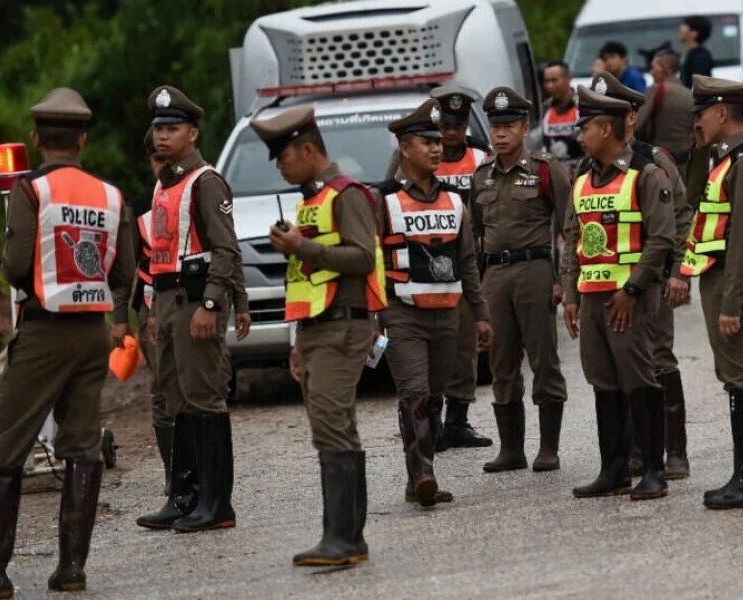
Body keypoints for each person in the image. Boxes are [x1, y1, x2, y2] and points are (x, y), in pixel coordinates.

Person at [0, 87, 134, 600]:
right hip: (92, 333)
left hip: (44, 329)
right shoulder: (111, 194)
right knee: (81, 444)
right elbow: (123, 270)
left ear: (37, 139)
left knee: (5, 449)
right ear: (82, 139)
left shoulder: (31, 190)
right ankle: (71, 569)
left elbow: (14, 265)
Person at [252, 105, 387, 565]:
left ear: (309, 149)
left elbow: (362, 259)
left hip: (342, 327)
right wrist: (297, 340)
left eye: (284, 156)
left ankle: (343, 539)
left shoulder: (346, 194)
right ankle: (348, 538)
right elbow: (305, 277)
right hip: (316, 329)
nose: (280, 166)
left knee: (332, 425)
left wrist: (301, 246)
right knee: (333, 427)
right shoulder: (311, 199)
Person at [135, 85, 246, 533]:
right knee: (176, 397)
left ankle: (217, 504)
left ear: (193, 132)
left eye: (172, 128)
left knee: (203, 397)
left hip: (194, 298)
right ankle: (184, 496)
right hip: (167, 300)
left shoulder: (204, 181)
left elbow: (225, 248)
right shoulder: (166, 184)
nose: (162, 136)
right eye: (158, 128)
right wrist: (156, 310)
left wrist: (212, 303)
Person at [373, 100, 493, 506]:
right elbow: (371, 260)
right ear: (404, 149)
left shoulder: (455, 202)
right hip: (403, 313)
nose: (437, 148)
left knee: (436, 393)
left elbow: (467, 263)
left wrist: (479, 314)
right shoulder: (383, 200)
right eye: (426, 142)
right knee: (415, 393)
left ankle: (418, 476)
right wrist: (375, 314)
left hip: (448, 314)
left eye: (438, 141)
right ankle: (422, 473)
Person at [562, 86, 676, 500]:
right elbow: (572, 237)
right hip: (592, 297)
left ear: (607, 129)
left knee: (639, 379)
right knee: (603, 382)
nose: (580, 136)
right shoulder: (582, 177)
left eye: (586, 127)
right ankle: (612, 468)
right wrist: (571, 296)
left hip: (631, 298)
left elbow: (661, 239)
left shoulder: (645, 174)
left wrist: (631, 288)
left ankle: (653, 469)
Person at [590, 72, 694, 480]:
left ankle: (676, 452)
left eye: (613, 114)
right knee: (619, 367)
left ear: (630, 118)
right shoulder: (591, 166)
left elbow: (681, 217)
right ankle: (633, 451)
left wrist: (677, 272)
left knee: (659, 359)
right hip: (608, 285)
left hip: (650, 282)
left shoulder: (654, 162)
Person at [681, 76, 743, 510]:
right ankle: (742, 474)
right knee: (733, 376)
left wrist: (732, 301)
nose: (696, 122)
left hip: (733, 281)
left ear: (722, 112)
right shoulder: (725, 158)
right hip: (719, 279)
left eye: (700, 114)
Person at [469, 87, 570, 473]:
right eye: (495, 127)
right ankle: (511, 449)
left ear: (525, 127)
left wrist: (562, 279)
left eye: (509, 125)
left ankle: (548, 448)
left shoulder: (544, 170)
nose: (500, 134)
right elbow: (476, 234)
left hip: (535, 270)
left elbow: (569, 226)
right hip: (495, 274)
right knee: (501, 360)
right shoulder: (482, 177)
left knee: (543, 357)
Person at [426, 85, 494, 450]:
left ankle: (457, 421)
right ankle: (430, 422)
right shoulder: (419, 155)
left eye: (459, 123)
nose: (451, 131)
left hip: (468, 263)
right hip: (426, 265)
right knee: (434, 345)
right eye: (446, 123)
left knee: (465, 345)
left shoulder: (482, 157)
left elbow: (492, 206)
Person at [129, 129, 172, 493]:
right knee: (162, 390)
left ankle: (199, 471)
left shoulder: (193, 194)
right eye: (156, 160)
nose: (162, 166)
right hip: (149, 304)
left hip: (187, 304)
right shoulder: (139, 208)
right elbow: (126, 267)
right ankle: (174, 475)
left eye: (166, 159)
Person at [635, 49, 695, 171]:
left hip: (662, 163)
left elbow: (637, 124)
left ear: (664, 68)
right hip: (687, 163)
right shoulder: (689, 94)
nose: (651, 72)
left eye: (654, 67)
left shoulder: (657, 90)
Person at [541, 61, 584, 169]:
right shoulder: (544, 108)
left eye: (554, 80)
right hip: (553, 172)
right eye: (547, 81)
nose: (550, 85)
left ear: (568, 78)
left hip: (580, 172)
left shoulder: (583, 105)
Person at [679, 16, 714, 88]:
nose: (680, 28)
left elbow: (701, 86)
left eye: (685, 25)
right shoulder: (690, 54)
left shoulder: (700, 57)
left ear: (694, 33)